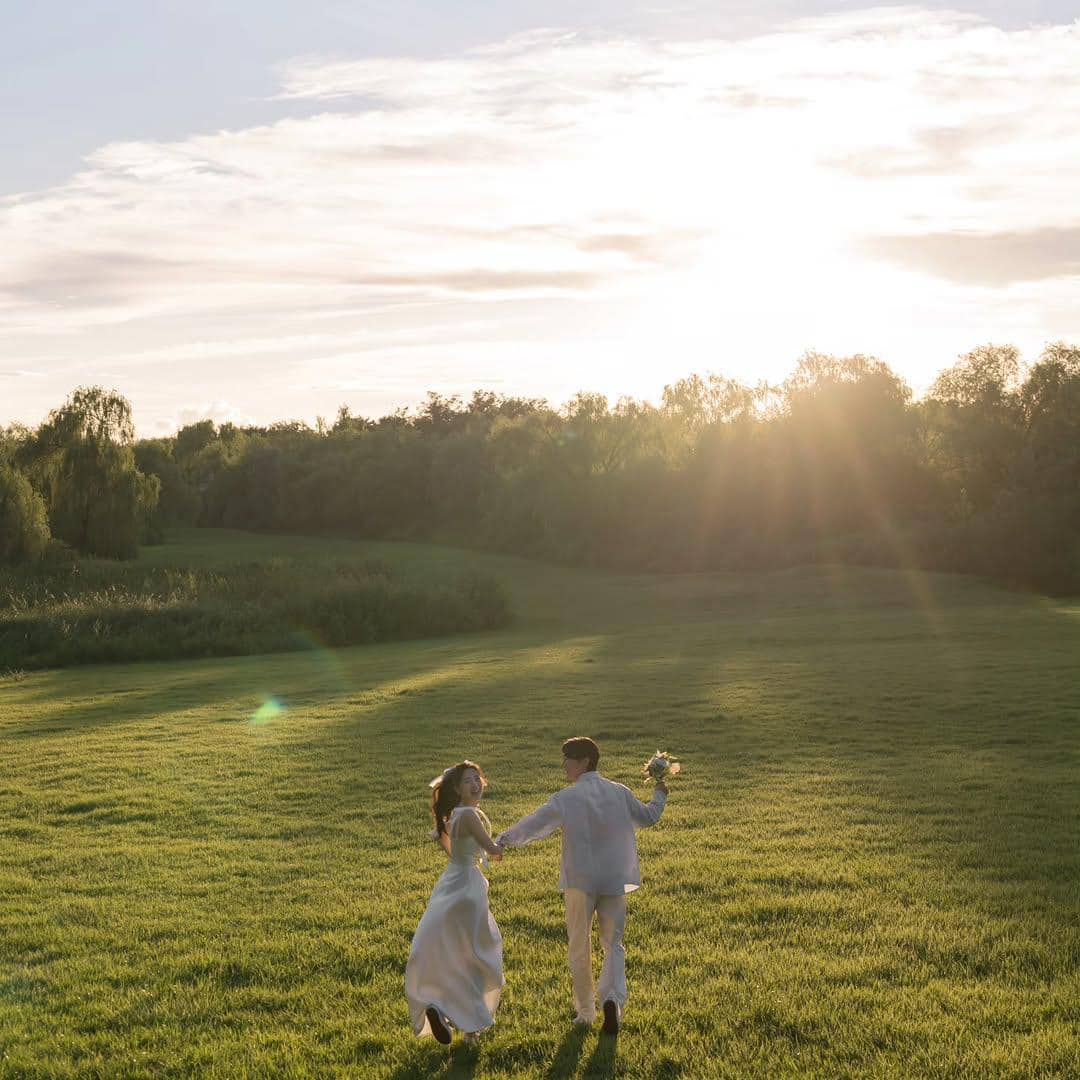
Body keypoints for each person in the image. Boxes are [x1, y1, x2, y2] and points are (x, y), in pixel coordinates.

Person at [496, 737, 667, 1035]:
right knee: (613, 943)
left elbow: (534, 823)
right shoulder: (620, 792)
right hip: (614, 877)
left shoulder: (567, 798)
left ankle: (586, 1011)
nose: (564, 765)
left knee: (579, 944)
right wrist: (660, 793)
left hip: (580, 880)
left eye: (568, 759)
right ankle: (612, 999)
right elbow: (649, 817)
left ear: (585, 760)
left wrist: (502, 840)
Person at [405, 760, 505, 1045]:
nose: (475, 785)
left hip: (450, 884)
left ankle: (440, 1008)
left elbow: (452, 852)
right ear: (458, 790)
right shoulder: (470, 816)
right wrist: (505, 843)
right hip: (469, 890)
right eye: (468, 781)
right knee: (477, 954)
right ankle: (470, 1029)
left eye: (478, 779)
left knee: (455, 952)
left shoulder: (452, 818)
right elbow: (492, 850)